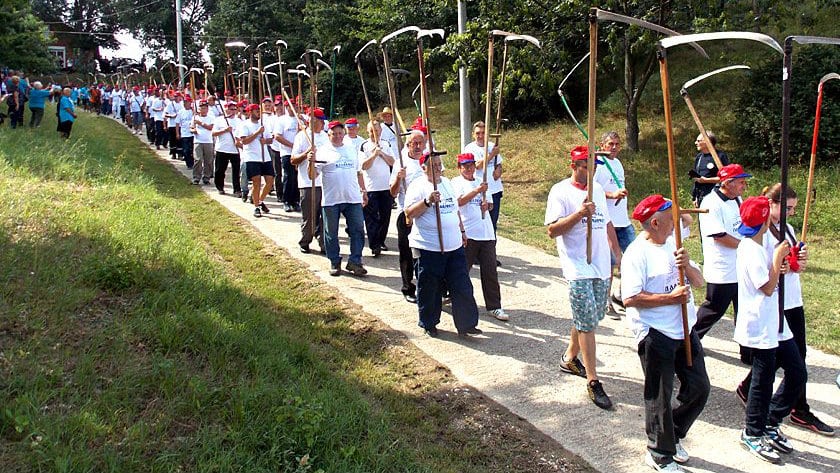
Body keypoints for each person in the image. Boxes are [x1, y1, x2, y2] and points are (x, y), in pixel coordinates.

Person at [734, 184, 835, 436]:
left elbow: (789, 263)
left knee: (791, 358)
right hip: (774, 303)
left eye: (793, 208)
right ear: (772, 205)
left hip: (791, 298)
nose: (790, 213)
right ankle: (789, 410)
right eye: (787, 208)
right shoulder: (762, 235)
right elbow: (768, 275)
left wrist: (798, 261)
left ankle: (770, 403)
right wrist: (784, 263)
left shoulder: (786, 229)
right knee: (783, 360)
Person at [622, 195, 709, 472]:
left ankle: (673, 433)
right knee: (659, 395)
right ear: (656, 223)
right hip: (655, 332)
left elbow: (698, 283)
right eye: (671, 220)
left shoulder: (673, 242)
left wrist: (688, 267)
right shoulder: (636, 254)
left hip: (685, 328)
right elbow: (631, 298)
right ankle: (659, 452)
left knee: (699, 388)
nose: (676, 225)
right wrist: (670, 298)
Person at [545, 145, 622, 410]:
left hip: (600, 265)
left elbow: (608, 223)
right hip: (577, 266)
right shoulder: (560, 191)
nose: (592, 170)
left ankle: (569, 358)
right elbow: (552, 230)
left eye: (595, 166)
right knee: (588, 321)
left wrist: (617, 253)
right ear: (574, 166)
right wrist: (579, 213)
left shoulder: (598, 190)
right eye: (587, 165)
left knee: (591, 316)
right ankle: (593, 380)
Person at [733, 196, 806, 464]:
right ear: (764, 219)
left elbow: (774, 275)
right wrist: (777, 260)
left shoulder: (762, 242)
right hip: (760, 324)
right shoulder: (749, 248)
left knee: (798, 372)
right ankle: (752, 432)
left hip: (776, 321)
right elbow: (765, 286)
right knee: (762, 382)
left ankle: (771, 421)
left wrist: (784, 266)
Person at [405, 152, 481, 338]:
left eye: (439, 164)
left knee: (462, 284)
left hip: (453, 246)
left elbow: (454, 210)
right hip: (428, 247)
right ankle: (429, 322)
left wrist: (462, 231)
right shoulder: (417, 185)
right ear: (424, 168)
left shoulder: (447, 183)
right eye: (433, 165)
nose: (438, 168)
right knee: (430, 287)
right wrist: (427, 201)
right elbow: (409, 213)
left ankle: (467, 324)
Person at [694, 163, 750, 338]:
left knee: (745, 310)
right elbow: (720, 236)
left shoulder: (737, 200)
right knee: (714, 309)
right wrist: (747, 247)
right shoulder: (711, 203)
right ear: (728, 183)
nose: (744, 186)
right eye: (741, 182)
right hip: (723, 268)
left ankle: (748, 349)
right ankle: (690, 340)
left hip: (740, 265)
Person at [451, 152, 509, 322]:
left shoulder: (481, 181)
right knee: (462, 270)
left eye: (471, 165)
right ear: (459, 167)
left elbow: (489, 204)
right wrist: (476, 191)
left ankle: (494, 306)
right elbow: (459, 202)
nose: (469, 169)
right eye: (465, 166)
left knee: (490, 270)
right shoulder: (456, 183)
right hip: (468, 233)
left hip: (486, 233)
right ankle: (451, 295)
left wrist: (487, 205)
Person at [316, 121, 368, 276]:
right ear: (329, 135)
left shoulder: (352, 150)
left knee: (358, 230)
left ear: (344, 134)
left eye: (340, 133)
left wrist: (363, 190)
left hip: (352, 197)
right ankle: (334, 261)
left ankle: (355, 261)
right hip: (331, 199)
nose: (337, 136)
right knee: (331, 232)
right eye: (334, 134)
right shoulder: (322, 151)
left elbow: (358, 172)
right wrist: (310, 162)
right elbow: (313, 175)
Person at [593, 131, 633, 317]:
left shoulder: (617, 163)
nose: (614, 147)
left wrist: (621, 194)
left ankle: (621, 294)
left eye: (617, 144)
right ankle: (605, 302)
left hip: (623, 220)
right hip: (607, 222)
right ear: (602, 145)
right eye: (610, 144)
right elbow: (592, 191)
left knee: (634, 258)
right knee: (609, 263)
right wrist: (612, 195)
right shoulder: (598, 165)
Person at [390, 130, 428, 303]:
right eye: (415, 143)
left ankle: (428, 285)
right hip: (407, 213)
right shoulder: (401, 162)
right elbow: (392, 192)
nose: (418, 146)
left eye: (421, 143)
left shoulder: (427, 161)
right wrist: (399, 179)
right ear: (408, 145)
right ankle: (408, 287)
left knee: (426, 251)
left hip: (427, 212)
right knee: (407, 251)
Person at [291, 107, 329, 253]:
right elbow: (293, 159)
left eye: (321, 121)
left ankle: (323, 243)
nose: (321, 124)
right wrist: (306, 152)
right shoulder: (302, 136)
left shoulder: (326, 137)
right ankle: (305, 240)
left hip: (325, 183)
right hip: (308, 183)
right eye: (318, 121)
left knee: (324, 216)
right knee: (309, 216)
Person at [360, 119, 394, 257]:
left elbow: (393, 162)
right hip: (371, 187)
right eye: (372, 132)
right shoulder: (365, 146)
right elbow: (363, 166)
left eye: (377, 131)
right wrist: (374, 155)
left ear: (381, 131)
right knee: (372, 217)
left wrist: (382, 154)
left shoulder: (386, 144)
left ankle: (381, 240)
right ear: (368, 132)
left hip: (386, 186)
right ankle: (374, 245)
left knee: (385, 216)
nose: (375, 134)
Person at [463, 121, 504, 235]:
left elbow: (499, 164)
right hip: (480, 190)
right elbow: (477, 165)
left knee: (493, 222)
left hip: (495, 189)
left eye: (483, 133)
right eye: (478, 133)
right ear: (473, 134)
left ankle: (492, 248)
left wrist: (498, 171)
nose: (480, 136)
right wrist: (491, 155)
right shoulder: (470, 148)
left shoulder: (491, 146)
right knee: (480, 220)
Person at [236, 103, 275, 218]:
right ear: (249, 112)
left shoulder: (263, 125)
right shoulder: (245, 125)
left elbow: (270, 140)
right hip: (252, 157)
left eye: (259, 110)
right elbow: (244, 141)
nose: (258, 112)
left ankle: (260, 201)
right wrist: (257, 133)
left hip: (265, 157)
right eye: (256, 110)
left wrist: (266, 141)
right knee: (256, 182)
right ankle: (256, 207)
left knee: (270, 181)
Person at [273, 99, 301, 212]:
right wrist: (292, 145)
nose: (292, 108)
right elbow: (277, 136)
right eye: (290, 106)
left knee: (298, 177)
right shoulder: (282, 120)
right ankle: (287, 200)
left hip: (300, 154)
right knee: (289, 177)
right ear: (286, 107)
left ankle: (296, 200)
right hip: (287, 153)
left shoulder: (300, 119)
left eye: (294, 105)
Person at [690, 131, 730, 207]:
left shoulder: (720, 156)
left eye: (698, 141)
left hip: (716, 196)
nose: (696, 143)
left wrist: (706, 180)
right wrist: (695, 196)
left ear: (707, 141)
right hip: (701, 196)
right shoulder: (699, 157)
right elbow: (696, 178)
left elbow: (726, 178)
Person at [212, 101, 242, 196]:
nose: (232, 111)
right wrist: (224, 130)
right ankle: (220, 187)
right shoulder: (219, 120)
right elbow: (213, 133)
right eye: (230, 109)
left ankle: (237, 189)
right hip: (222, 149)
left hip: (235, 150)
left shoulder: (239, 121)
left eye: (234, 109)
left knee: (236, 171)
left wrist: (239, 142)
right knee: (220, 170)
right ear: (225, 109)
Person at [192, 100, 215, 185]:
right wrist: (193, 130)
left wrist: (200, 123)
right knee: (198, 159)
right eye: (202, 108)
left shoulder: (211, 118)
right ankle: (196, 177)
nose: (204, 110)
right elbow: (191, 127)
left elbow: (210, 127)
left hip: (208, 141)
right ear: (199, 109)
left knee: (208, 160)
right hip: (198, 141)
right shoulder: (195, 117)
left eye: (205, 108)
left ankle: (206, 177)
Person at [175, 98, 195, 169]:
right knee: (186, 150)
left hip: (193, 134)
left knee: (192, 150)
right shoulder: (180, 112)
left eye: (188, 102)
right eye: (185, 102)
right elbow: (177, 123)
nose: (187, 104)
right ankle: (189, 164)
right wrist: (177, 133)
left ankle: (193, 163)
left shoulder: (193, 112)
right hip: (184, 134)